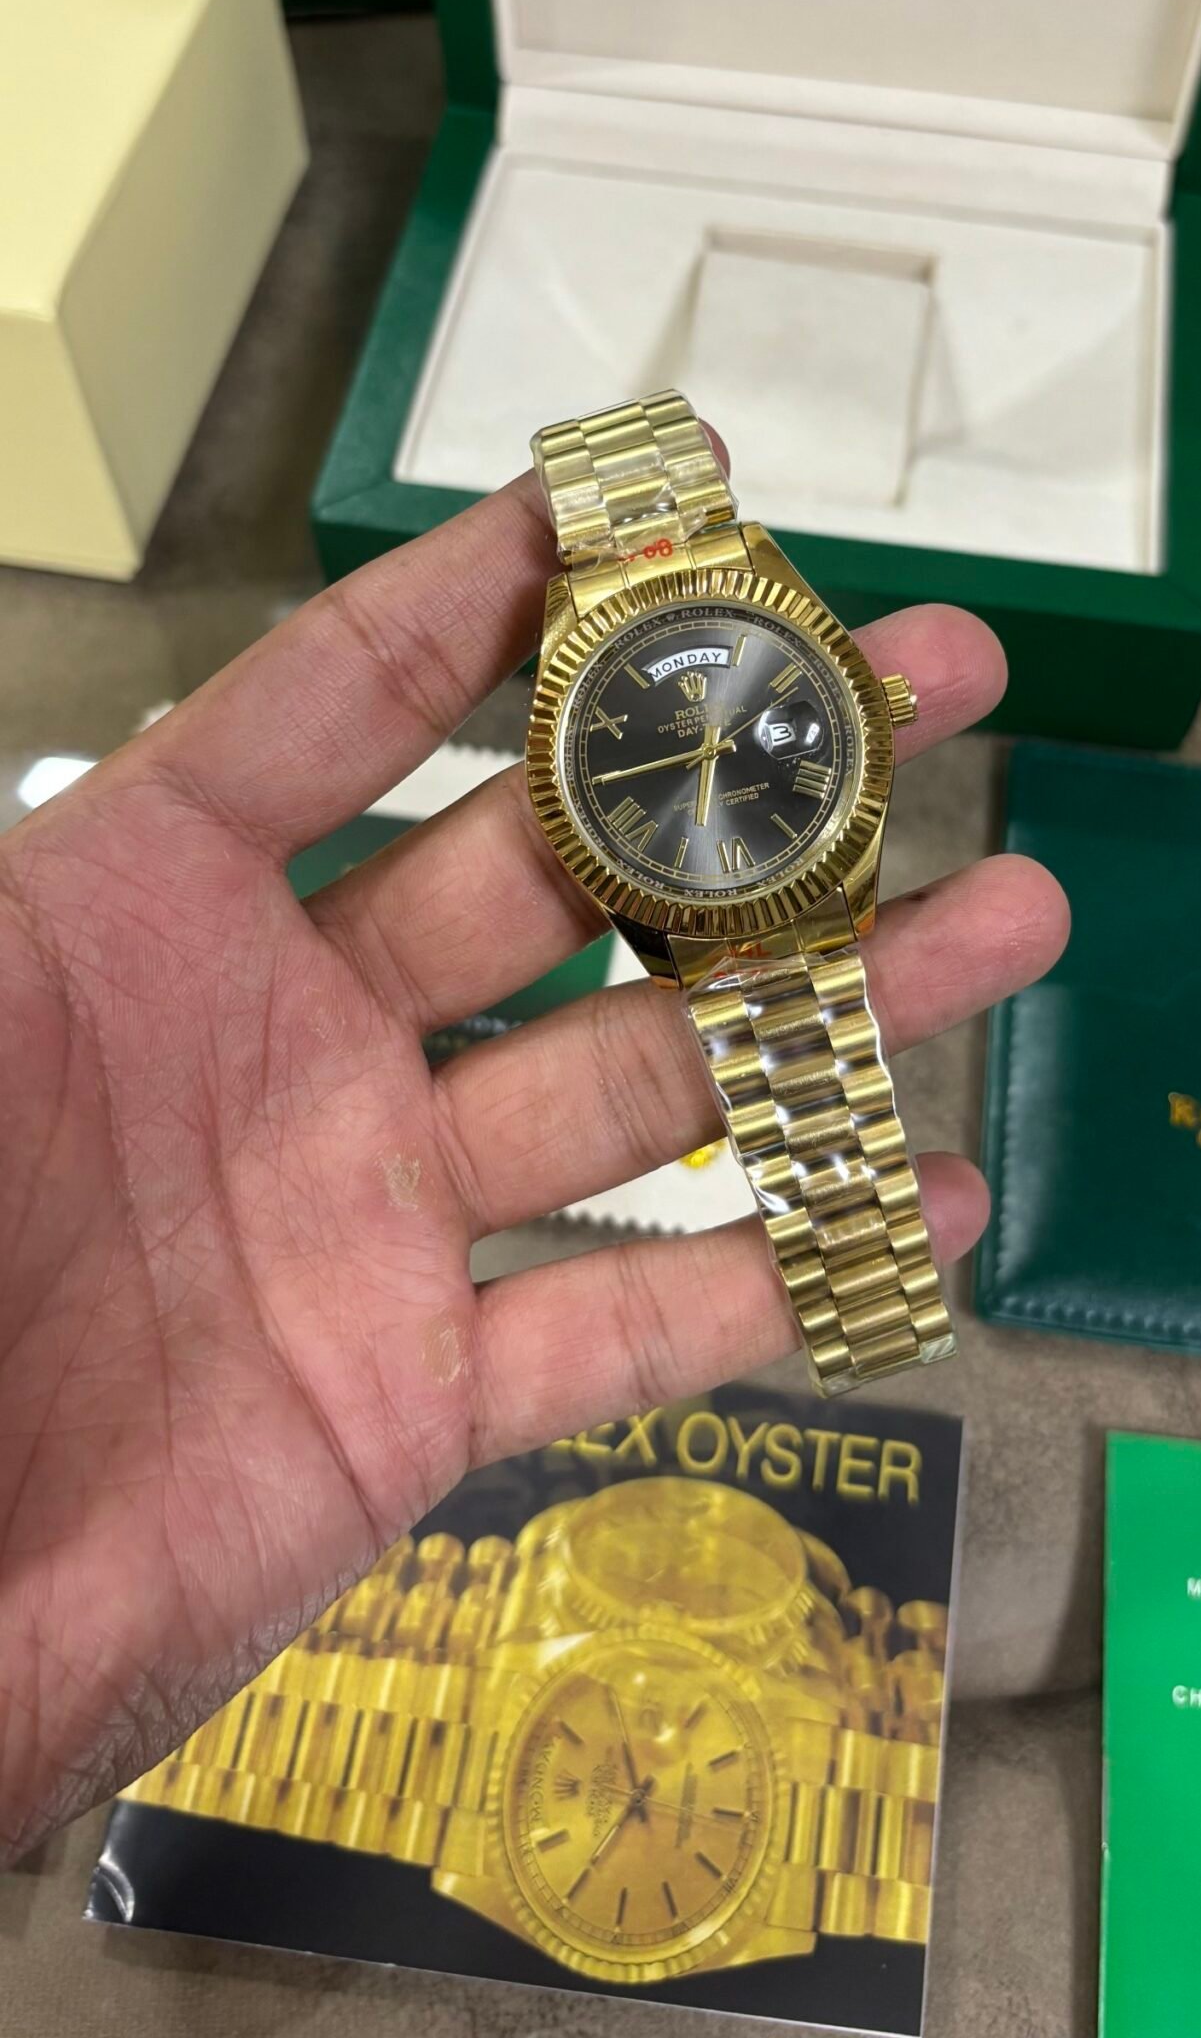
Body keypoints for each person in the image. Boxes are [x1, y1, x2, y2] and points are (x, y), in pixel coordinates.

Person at [0, 462, 1067, 1865]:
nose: (706, 757)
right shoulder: (601, 776)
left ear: (863, 720)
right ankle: (865, 1282)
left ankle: (867, 1280)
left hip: (791, 888)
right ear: (571, 810)